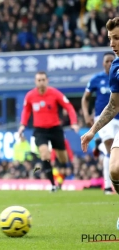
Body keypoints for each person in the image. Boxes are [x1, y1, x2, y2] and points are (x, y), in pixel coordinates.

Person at [81, 17, 119, 230]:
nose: (112, 44)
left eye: (117, 38)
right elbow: (114, 106)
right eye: (110, 39)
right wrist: (92, 131)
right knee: (115, 169)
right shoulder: (116, 67)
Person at [18, 71, 79, 192]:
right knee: (45, 154)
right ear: (35, 82)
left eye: (43, 80)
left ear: (47, 80)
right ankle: (52, 185)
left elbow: (69, 107)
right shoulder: (30, 96)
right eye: (39, 80)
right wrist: (22, 125)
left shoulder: (55, 93)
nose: (41, 82)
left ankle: (60, 181)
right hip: (40, 130)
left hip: (55, 129)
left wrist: (74, 122)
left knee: (63, 159)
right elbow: (26, 111)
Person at [81, 52, 116, 195]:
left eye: (111, 61)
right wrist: (86, 115)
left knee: (115, 151)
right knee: (110, 146)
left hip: (118, 118)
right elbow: (85, 99)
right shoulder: (96, 79)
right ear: (103, 63)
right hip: (103, 119)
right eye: (107, 61)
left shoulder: (117, 76)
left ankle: (99, 144)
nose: (109, 63)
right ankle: (108, 186)